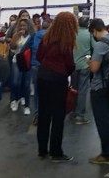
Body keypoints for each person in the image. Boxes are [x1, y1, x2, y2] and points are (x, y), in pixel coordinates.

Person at [36, 12, 76, 162]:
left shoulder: (46, 37)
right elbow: (70, 64)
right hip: (58, 79)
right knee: (58, 115)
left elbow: (39, 56)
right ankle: (56, 152)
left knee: (43, 113)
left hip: (42, 76)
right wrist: (66, 72)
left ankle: (42, 150)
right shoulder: (67, 41)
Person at [87, 18, 109, 165]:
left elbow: (94, 68)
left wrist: (89, 62)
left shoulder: (101, 45)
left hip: (100, 87)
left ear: (95, 30)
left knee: (102, 121)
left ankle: (106, 155)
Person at [71, 16, 94, 125]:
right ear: (87, 24)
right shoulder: (89, 35)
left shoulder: (73, 34)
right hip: (85, 65)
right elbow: (94, 48)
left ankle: (73, 111)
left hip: (73, 66)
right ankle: (79, 115)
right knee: (83, 91)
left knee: (74, 89)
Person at [9, 18, 33, 115]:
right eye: (21, 25)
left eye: (24, 25)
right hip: (17, 61)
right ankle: (15, 100)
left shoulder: (31, 36)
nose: (22, 27)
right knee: (15, 82)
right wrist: (16, 38)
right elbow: (12, 48)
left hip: (27, 62)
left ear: (28, 26)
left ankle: (27, 105)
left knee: (26, 84)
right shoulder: (16, 35)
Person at [30, 16, 50, 121]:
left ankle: (37, 114)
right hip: (48, 66)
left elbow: (27, 48)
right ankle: (47, 113)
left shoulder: (35, 35)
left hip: (35, 64)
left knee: (37, 90)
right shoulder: (52, 37)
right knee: (48, 90)